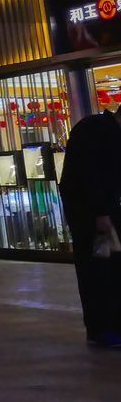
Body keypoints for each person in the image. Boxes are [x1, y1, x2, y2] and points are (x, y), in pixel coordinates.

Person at [59, 107, 121, 347]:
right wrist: (101, 212)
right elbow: (89, 177)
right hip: (90, 216)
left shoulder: (102, 130)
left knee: (109, 268)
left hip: (103, 212)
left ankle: (109, 326)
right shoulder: (95, 130)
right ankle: (102, 328)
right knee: (98, 270)